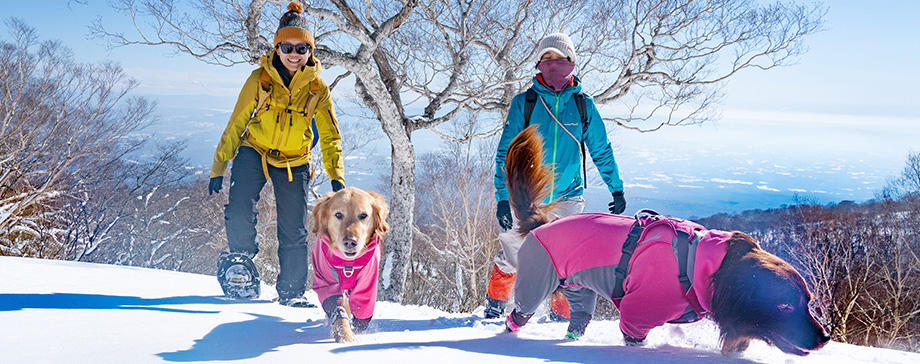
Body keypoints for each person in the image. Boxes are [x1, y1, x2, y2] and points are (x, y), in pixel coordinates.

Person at [484, 33, 627, 337]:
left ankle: (562, 318)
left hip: (567, 195)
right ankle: (494, 306)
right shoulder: (525, 103)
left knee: (567, 260)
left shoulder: (583, 105)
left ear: (571, 64)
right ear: (538, 64)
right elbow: (504, 152)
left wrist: (616, 187)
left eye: (560, 60)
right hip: (525, 196)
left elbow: (601, 148)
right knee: (513, 250)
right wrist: (501, 197)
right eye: (547, 60)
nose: (553, 66)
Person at [208, 1, 345, 307]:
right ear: (277, 47)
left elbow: (330, 134)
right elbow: (237, 122)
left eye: (301, 48)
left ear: (310, 51)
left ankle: (292, 293)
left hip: (295, 159)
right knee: (240, 206)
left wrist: (336, 176)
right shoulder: (260, 79)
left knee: (293, 229)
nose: (294, 54)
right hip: (254, 148)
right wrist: (219, 166)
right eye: (287, 47)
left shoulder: (317, 88)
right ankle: (240, 266)